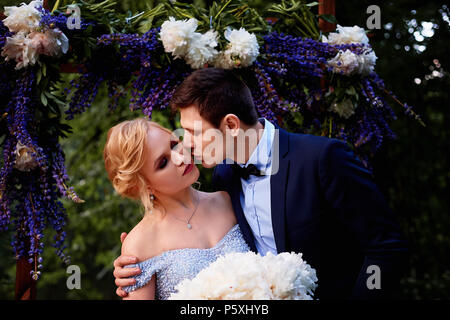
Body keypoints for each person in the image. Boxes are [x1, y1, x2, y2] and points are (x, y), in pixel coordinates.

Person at [113, 68, 409, 299]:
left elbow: (386, 248)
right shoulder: (225, 177)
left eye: (193, 133)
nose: (186, 146)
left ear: (230, 125)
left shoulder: (322, 159)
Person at [103, 118, 250, 299]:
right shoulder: (139, 244)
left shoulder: (227, 199)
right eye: (163, 162)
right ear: (144, 185)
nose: (180, 157)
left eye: (174, 144)